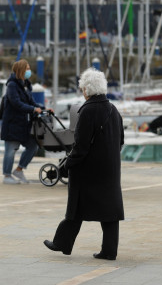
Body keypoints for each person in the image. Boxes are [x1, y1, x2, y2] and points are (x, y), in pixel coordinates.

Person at [44, 68, 124, 260]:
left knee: (76, 207)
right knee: (109, 211)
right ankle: (109, 251)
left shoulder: (87, 111)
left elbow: (80, 147)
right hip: (110, 170)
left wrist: (65, 166)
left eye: (82, 89)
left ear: (87, 90)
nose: (82, 92)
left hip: (88, 170)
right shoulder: (114, 110)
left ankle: (62, 242)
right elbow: (120, 141)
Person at [0, 59, 46, 185]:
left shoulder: (26, 84)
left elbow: (31, 102)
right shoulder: (12, 85)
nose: (29, 71)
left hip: (23, 124)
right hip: (12, 124)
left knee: (33, 145)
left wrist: (42, 109)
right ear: (21, 70)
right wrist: (33, 109)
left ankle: (19, 169)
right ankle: (7, 175)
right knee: (10, 150)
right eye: (27, 68)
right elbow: (16, 103)